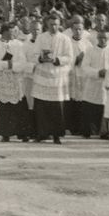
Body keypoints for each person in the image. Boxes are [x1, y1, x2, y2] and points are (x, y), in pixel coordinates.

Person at [30, 15, 74, 144]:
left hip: (57, 77)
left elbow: (70, 57)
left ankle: (56, 135)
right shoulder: (41, 37)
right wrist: (40, 59)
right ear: (46, 25)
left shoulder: (65, 39)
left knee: (56, 108)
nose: (53, 27)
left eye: (56, 24)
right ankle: (41, 134)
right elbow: (34, 55)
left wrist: (57, 60)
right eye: (51, 24)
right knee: (41, 107)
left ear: (59, 24)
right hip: (42, 77)